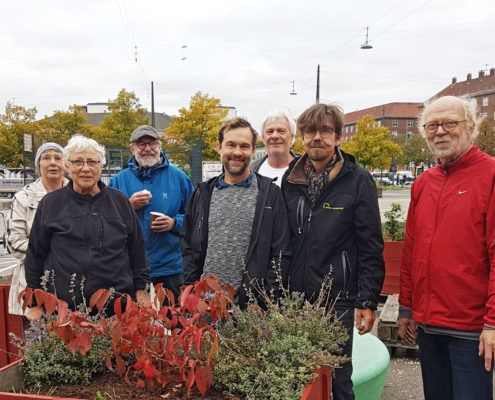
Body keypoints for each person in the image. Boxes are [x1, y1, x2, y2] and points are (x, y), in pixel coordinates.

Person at [281, 103, 384, 400]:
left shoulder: (357, 180)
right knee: (296, 377)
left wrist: (367, 300)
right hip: (294, 297)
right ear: (302, 137)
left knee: (338, 380)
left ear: (338, 137)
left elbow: (370, 244)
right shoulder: (291, 179)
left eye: (326, 131)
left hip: (337, 298)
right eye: (311, 131)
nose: (317, 137)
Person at [398, 95, 495, 400]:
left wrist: (492, 323)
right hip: (429, 326)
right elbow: (411, 249)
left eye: (450, 123)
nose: (440, 131)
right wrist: (406, 307)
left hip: (471, 330)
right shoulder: (423, 183)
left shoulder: (490, 175)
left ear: (471, 126)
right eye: (432, 125)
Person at [24, 135, 150, 310]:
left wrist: (141, 290)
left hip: (116, 308)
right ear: (67, 166)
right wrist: (35, 303)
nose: (85, 168)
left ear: (101, 166)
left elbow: (137, 250)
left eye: (92, 162)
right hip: (64, 310)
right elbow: (35, 254)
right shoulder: (51, 204)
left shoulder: (119, 202)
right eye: (77, 162)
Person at [181, 117, 290, 308]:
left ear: (253, 151)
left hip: (251, 310)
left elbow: (280, 252)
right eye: (231, 145)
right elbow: (188, 248)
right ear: (219, 147)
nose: (237, 152)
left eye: (244, 146)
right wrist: (191, 292)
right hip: (206, 306)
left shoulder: (270, 194)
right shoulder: (202, 193)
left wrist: (265, 299)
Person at [109, 125, 193, 302]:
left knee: (173, 323)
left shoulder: (178, 177)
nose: (147, 148)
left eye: (152, 143)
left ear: (160, 146)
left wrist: (173, 223)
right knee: (134, 324)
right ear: (132, 148)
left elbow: (195, 217)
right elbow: (106, 221)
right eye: (141, 144)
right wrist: (129, 206)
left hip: (169, 267)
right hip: (129, 267)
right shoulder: (118, 180)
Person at [6, 142, 68, 315]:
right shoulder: (23, 198)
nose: (53, 162)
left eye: (58, 158)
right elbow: (14, 243)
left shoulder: (78, 195)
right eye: (46, 158)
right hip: (33, 284)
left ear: (66, 164)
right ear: (38, 165)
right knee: (36, 338)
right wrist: (51, 253)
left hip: (72, 284)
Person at [250, 110, 297, 187]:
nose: (275, 136)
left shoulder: (305, 171)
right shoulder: (250, 172)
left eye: (281, 131)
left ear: (292, 137)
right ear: (263, 138)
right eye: (269, 131)